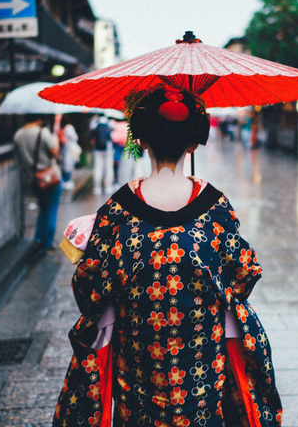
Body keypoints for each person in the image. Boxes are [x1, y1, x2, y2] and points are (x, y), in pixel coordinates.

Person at [53, 86, 282, 427]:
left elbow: (88, 286)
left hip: (139, 361)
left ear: (141, 140)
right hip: (202, 359)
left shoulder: (117, 210)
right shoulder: (214, 206)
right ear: (193, 144)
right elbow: (244, 272)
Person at [14, 115, 62, 250]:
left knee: (42, 208)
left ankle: (38, 238)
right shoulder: (43, 133)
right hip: (49, 177)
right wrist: (56, 140)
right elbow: (56, 154)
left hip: (33, 178)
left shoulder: (18, 135)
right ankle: (47, 243)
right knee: (51, 209)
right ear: (39, 119)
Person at [90, 115, 114, 195]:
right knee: (109, 168)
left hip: (97, 150)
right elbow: (112, 137)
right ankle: (108, 187)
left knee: (97, 168)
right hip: (108, 149)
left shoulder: (94, 123)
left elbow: (91, 138)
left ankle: (97, 188)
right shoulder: (110, 123)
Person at [60, 116, 81, 191]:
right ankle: (67, 180)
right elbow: (75, 137)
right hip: (70, 148)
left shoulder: (63, 128)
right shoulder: (69, 127)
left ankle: (66, 180)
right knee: (69, 164)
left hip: (66, 148)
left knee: (66, 164)